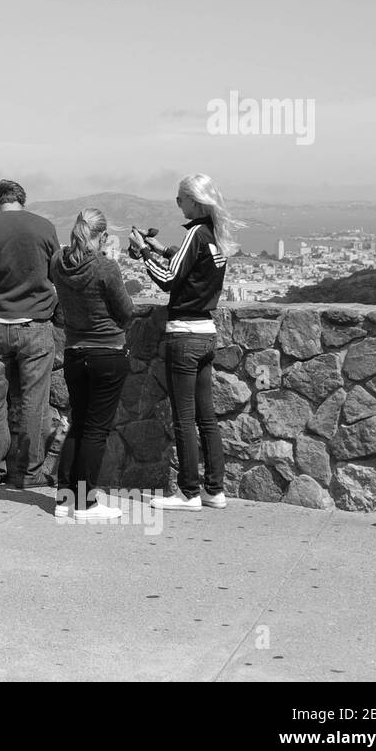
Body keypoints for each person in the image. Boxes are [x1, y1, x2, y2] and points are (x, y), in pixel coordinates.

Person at [131, 173, 241, 511]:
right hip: (207, 334)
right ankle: (215, 489)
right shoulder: (212, 236)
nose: (177, 204)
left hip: (184, 335)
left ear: (194, 201)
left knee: (184, 417)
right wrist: (158, 248)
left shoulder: (194, 232)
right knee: (206, 418)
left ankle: (189, 492)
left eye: (180, 198)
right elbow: (188, 268)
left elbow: (169, 279)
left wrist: (142, 255)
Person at [0, 179, 61, 488]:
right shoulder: (44, 228)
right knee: (35, 401)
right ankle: (32, 473)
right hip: (36, 327)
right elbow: (58, 272)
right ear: (22, 200)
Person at [50, 208, 133, 520]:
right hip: (107, 353)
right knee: (96, 430)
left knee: (78, 422)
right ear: (104, 235)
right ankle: (86, 503)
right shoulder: (106, 268)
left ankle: (64, 498)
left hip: (74, 353)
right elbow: (126, 312)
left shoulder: (59, 263)